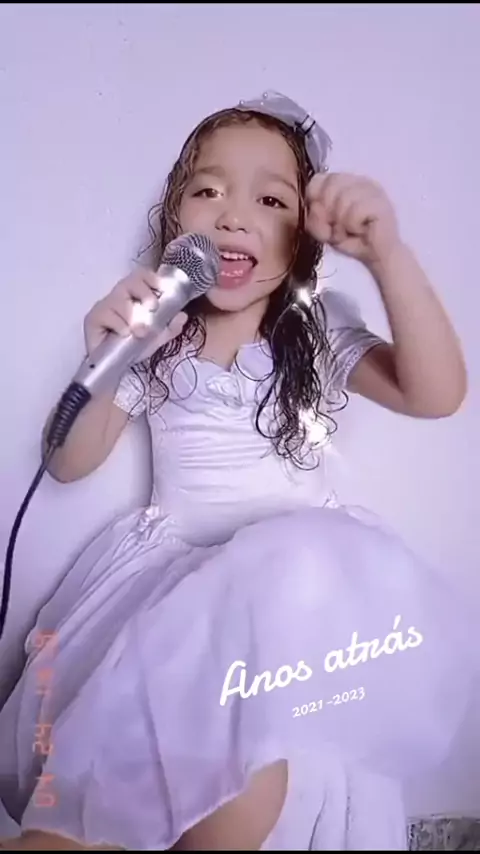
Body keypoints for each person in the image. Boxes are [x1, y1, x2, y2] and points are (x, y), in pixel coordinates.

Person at [0, 90, 476, 852]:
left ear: (301, 243)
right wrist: (105, 356)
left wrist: (387, 255)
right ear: (174, 221)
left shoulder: (315, 329)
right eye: (208, 191)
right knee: (158, 738)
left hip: (290, 595)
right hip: (176, 586)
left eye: (270, 199)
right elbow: (68, 463)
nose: (232, 215)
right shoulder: (160, 336)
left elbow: (437, 393)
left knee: (257, 745)